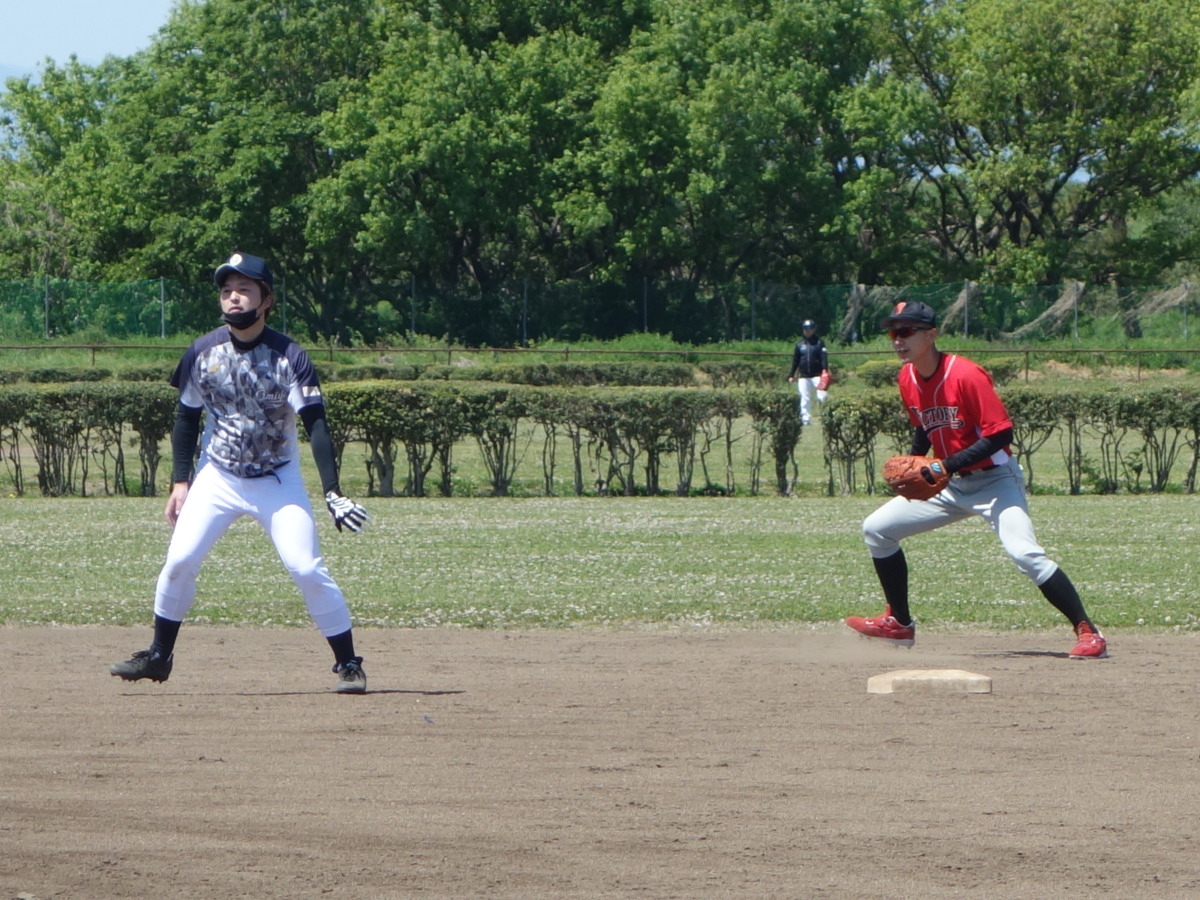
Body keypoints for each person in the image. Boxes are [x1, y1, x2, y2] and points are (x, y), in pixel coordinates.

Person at [110, 252, 373, 692]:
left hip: (278, 479)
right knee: (179, 561)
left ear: (265, 300)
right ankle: (158, 656)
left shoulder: (289, 355)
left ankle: (348, 664)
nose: (234, 297)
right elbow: (186, 418)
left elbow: (316, 424)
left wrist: (333, 491)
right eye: (227, 290)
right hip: (218, 477)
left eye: (245, 289)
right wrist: (180, 481)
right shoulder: (202, 351)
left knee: (306, 568)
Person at [845, 300, 1107, 659]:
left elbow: (1001, 434)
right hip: (949, 484)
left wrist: (944, 466)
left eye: (906, 331)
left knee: (1026, 554)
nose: (898, 339)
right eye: (893, 333)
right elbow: (925, 426)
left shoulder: (966, 375)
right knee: (877, 529)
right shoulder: (907, 377)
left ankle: (1088, 632)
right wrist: (915, 462)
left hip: (995, 482)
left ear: (931, 334)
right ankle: (899, 623)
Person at [787, 319, 828, 425]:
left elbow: (824, 358)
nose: (807, 331)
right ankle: (805, 419)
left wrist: (825, 371)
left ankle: (826, 417)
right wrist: (791, 374)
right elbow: (795, 361)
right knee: (804, 398)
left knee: (822, 396)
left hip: (818, 376)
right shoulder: (799, 345)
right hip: (804, 377)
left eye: (810, 328)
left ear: (814, 329)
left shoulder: (819, 343)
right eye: (805, 328)